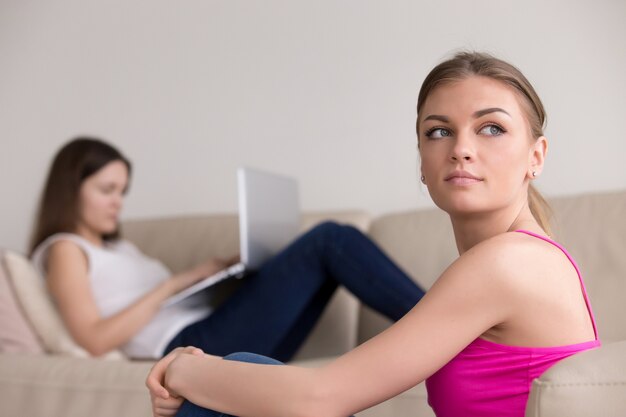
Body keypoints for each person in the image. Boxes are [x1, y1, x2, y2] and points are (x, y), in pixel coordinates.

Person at [145, 51, 601, 417]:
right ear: (422, 161)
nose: (461, 149)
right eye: (439, 131)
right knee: (242, 380)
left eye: (492, 129)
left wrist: (182, 368)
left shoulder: (509, 262)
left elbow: (319, 400)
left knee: (232, 380)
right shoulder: (517, 258)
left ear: (536, 156)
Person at [29, 138, 425, 361]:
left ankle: (446, 328)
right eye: (106, 190)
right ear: (70, 189)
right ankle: (450, 326)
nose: (118, 202)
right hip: (189, 345)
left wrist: (225, 277)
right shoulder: (66, 248)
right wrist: (175, 284)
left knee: (323, 256)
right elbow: (93, 341)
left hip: (213, 329)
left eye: (122, 191)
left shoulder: (123, 247)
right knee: (330, 240)